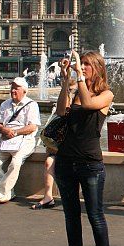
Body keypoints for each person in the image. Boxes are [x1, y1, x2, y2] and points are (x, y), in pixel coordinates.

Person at [54, 50, 114, 246]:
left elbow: (89, 104)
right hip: (65, 161)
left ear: (97, 68)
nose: (84, 67)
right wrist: (65, 80)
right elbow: (60, 112)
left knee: (95, 217)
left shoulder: (106, 94)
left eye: (88, 64)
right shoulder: (75, 91)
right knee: (71, 217)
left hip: (90, 163)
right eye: (83, 64)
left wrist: (78, 75)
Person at [0, 77, 41, 204]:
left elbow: (32, 127)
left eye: (16, 88)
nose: (13, 90)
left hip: (25, 141)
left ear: (24, 91)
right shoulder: (5, 104)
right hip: (6, 140)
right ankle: (7, 192)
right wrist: (4, 130)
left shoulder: (32, 105)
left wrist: (15, 132)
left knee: (16, 162)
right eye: (12, 87)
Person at [30, 79, 78, 210]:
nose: (70, 94)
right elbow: (49, 146)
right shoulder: (59, 120)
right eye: (68, 91)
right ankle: (48, 197)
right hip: (62, 153)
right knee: (49, 161)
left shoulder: (80, 114)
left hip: (78, 154)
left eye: (73, 91)